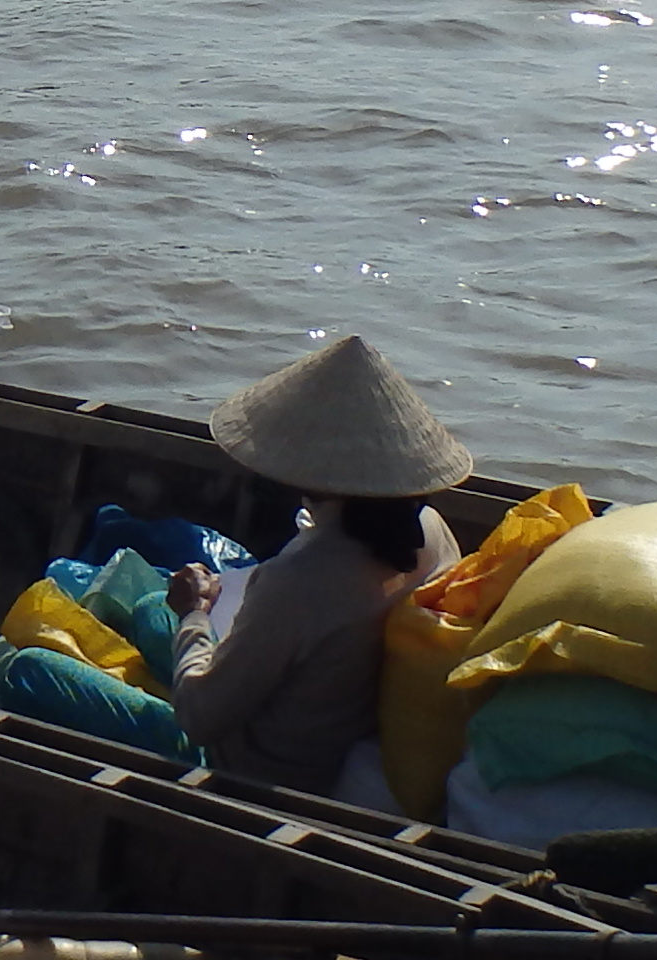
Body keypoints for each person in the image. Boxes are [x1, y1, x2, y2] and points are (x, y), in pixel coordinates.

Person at [166, 332, 472, 792]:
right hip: (346, 744)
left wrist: (192, 614)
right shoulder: (430, 529)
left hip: (259, 775)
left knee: (40, 663)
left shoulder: (301, 581)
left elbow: (200, 717)